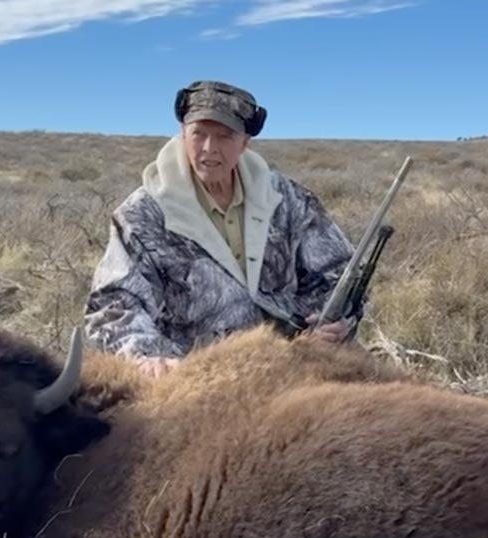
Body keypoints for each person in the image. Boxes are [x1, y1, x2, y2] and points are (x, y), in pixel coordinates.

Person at [84, 80, 359, 377]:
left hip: (294, 359)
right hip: (197, 376)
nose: (209, 148)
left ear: (244, 142)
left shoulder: (288, 199)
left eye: (224, 136)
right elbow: (113, 306)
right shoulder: (142, 215)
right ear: (182, 133)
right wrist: (147, 356)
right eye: (198, 134)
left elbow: (339, 275)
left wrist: (328, 321)